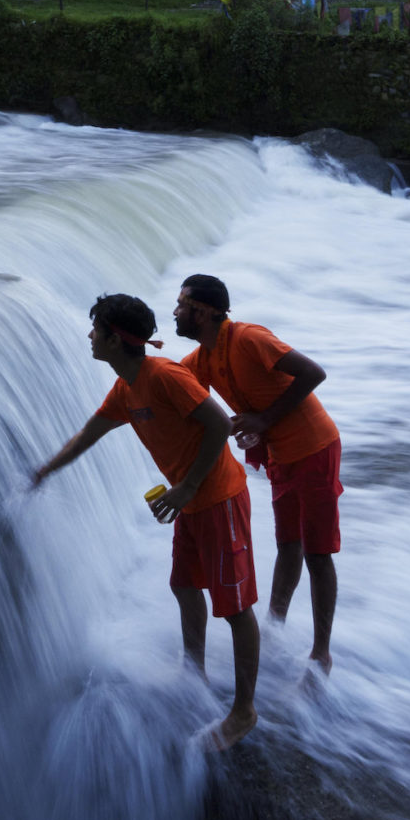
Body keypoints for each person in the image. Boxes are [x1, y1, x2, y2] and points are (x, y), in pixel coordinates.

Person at [32, 294, 262, 749]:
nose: (90, 336)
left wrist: (188, 488)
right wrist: (44, 471)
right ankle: (193, 671)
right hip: (190, 500)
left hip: (216, 497)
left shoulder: (164, 376)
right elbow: (89, 434)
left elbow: (218, 425)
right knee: (183, 584)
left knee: (235, 608)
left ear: (117, 340)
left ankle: (243, 712)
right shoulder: (126, 387)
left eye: (96, 329)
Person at [172, 274, 341, 674]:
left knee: (317, 553)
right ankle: (275, 628)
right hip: (281, 457)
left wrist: (264, 419)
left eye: (182, 304)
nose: (176, 312)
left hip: (315, 447)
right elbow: (173, 387)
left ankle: (321, 653)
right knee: (288, 545)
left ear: (207, 311)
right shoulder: (203, 358)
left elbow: (314, 373)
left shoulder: (248, 339)